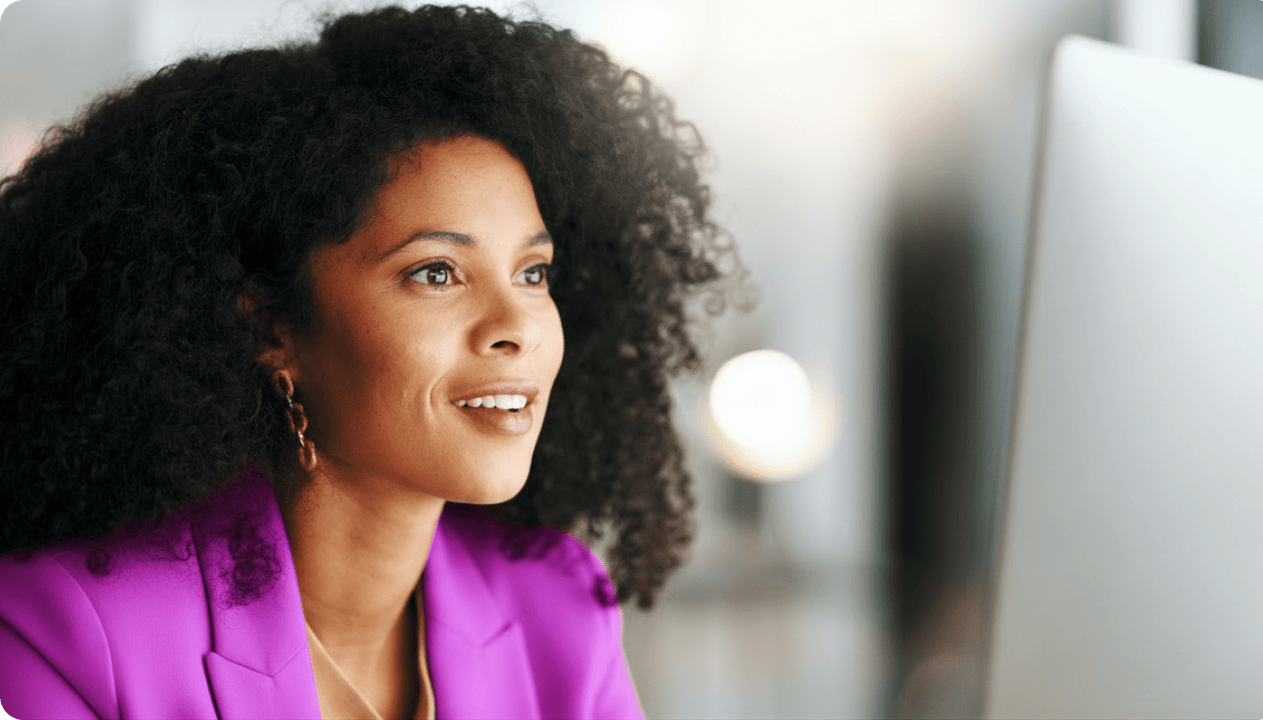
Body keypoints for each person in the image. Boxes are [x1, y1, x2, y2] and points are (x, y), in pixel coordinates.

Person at [0, 5, 746, 718]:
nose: (516, 323)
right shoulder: (70, 630)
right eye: (435, 273)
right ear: (272, 328)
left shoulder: (555, 603)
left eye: (532, 273)